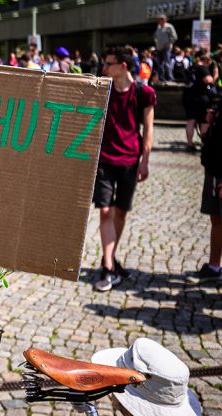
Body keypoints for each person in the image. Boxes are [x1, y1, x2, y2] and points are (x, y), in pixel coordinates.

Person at [93, 46, 156, 292]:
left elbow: (148, 129)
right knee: (105, 210)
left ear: (123, 66)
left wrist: (145, 160)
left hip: (130, 159)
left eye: (108, 64)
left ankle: (110, 258)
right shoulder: (103, 90)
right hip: (105, 159)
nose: (104, 68)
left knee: (120, 212)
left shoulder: (144, 92)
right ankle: (108, 265)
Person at [197, 89, 222, 279]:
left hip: (219, 170)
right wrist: (210, 123)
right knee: (216, 219)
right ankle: (214, 265)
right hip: (214, 165)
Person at [183, 52, 215, 152]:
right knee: (204, 121)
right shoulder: (203, 68)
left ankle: (189, 144)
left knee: (190, 121)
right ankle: (204, 144)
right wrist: (215, 75)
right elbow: (208, 80)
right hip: (201, 98)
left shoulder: (191, 67)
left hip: (188, 97)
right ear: (206, 61)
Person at [154, 14, 178, 83]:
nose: (158, 21)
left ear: (164, 20)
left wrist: (169, 43)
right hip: (159, 48)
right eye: (158, 20)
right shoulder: (158, 27)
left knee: (167, 63)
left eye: (160, 20)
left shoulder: (169, 27)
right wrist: (156, 41)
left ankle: (170, 78)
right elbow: (156, 35)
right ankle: (161, 78)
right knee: (159, 64)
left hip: (166, 48)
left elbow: (174, 37)